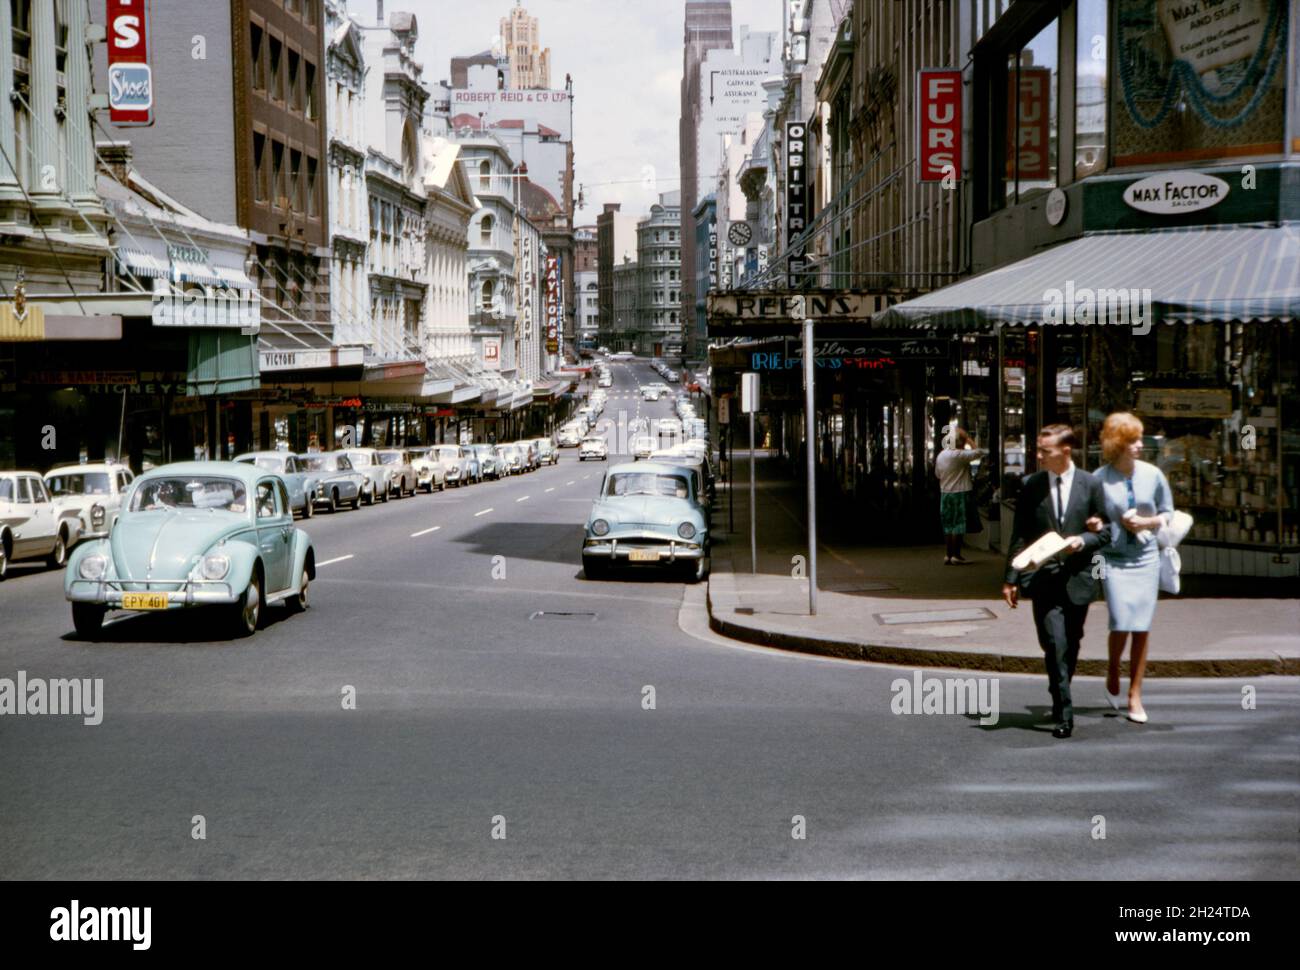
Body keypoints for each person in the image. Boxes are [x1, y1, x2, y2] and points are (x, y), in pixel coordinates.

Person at [1002, 425, 1111, 739]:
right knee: (1054, 644)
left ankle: (1060, 684)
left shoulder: (1091, 485)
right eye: (1038, 449)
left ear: (1065, 452)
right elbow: (1020, 533)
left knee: (1071, 642)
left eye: (1044, 451)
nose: (1038, 456)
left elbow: (1105, 531)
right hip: (1043, 579)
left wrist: (1084, 540)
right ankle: (1064, 711)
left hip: (1078, 578)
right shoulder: (1031, 485)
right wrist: (1010, 579)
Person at [1089, 412, 1174, 725]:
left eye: (1139, 439)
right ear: (1116, 444)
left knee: (1142, 625)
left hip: (1146, 556)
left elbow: (1168, 513)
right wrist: (1099, 522)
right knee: (1121, 619)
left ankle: (1135, 693)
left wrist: (1148, 521)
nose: (1140, 445)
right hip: (1114, 558)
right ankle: (1113, 666)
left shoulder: (1153, 475)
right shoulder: (1099, 477)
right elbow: (1092, 517)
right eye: (1132, 441)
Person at [936, 426, 987, 564]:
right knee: (958, 525)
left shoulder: (941, 455)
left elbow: (937, 474)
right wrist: (969, 439)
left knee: (948, 525)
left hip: (945, 493)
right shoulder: (959, 455)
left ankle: (948, 554)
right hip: (960, 492)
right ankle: (956, 555)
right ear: (959, 442)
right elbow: (980, 452)